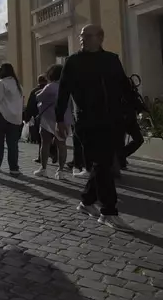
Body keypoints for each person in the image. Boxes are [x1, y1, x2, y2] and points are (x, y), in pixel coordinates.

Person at [56, 24, 134, 232]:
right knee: (102, 162)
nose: (83, 39)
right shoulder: (73, 62)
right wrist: (59, 120)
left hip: (112, 119)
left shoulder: (111, 59)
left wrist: (134, 110)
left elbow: (124, 86)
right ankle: (109, 212)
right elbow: (63, 92)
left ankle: (86, 201)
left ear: (100, 37)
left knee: (104, 164)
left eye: (88, 36)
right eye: (82, 36)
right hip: (87, 122)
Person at [33, 64, 74, 179]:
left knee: (45, 143)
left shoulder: (50, 86)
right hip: (64, 119)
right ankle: (61, 171)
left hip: (48, 118)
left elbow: (38, 98)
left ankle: (44, 169)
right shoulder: (67, 87)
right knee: (62, 145)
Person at [0, 63, 24, 176]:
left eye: (0, 70)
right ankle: (14, 167)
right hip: (15, 118)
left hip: (1, 115)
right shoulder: (18, 85)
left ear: (4, 71)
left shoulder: (2, 83)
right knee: (13, 144)